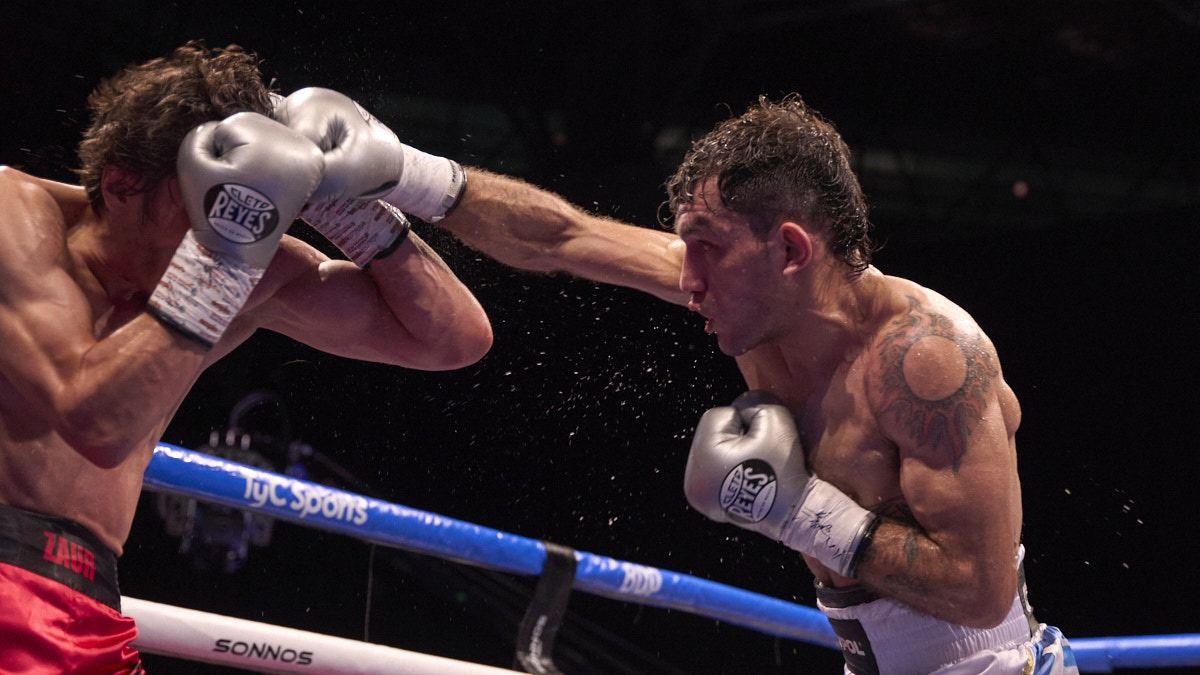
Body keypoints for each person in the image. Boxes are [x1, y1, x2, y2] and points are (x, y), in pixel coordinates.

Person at [273, 88, 1079, 674]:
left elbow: (979, 590)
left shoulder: (927, 358)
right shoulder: (756, 299)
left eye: (708, 249)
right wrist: (405, 172)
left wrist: (801, 510)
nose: (685, 278)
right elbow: (563, 236)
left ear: (790, 250)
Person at [0, 43, 492, 673]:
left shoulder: (250, 264)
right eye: (201, 205)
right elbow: (94, 421)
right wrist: (225, 251)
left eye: (245, 206)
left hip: (89, 605)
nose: (228, 228)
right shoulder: (18, 217)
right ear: (121, 184)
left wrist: (354, 215)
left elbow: (451, 340)